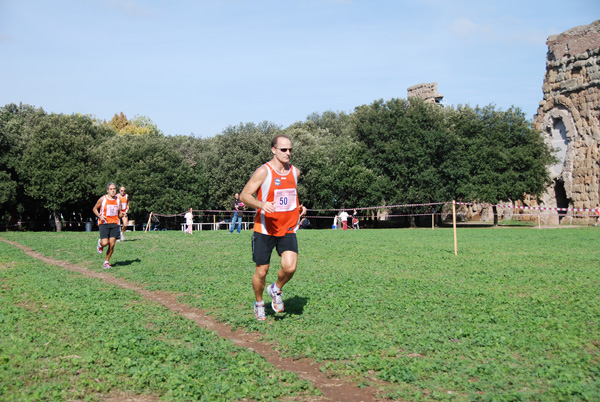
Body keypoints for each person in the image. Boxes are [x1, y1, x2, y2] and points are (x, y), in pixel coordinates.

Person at [240, 134, 307, 321]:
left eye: (290, 150)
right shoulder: (264, 171)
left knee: (290, 267)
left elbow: (289, 196)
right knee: (261, 271)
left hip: (287, 227)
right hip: (264, 229)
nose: (288, 153)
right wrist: (261, 204)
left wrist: (300, 207)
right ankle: (259, 303)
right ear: (273, 150)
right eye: (283, 149)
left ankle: (276, 289)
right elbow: (245, 195)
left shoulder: (295, 172)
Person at [93, 182, 122, 269]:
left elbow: (119, 212)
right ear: (107, 190)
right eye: (111, 189)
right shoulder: (103, 199)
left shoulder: (118, 200)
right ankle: (100, 244)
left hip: (115, 223)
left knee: (112, 244)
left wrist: (122, 214)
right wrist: (99, 216)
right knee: (105, 243)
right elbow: (94, 209)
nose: (113, 191)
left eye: (114, 189)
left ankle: (106, 262)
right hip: (104, 223)